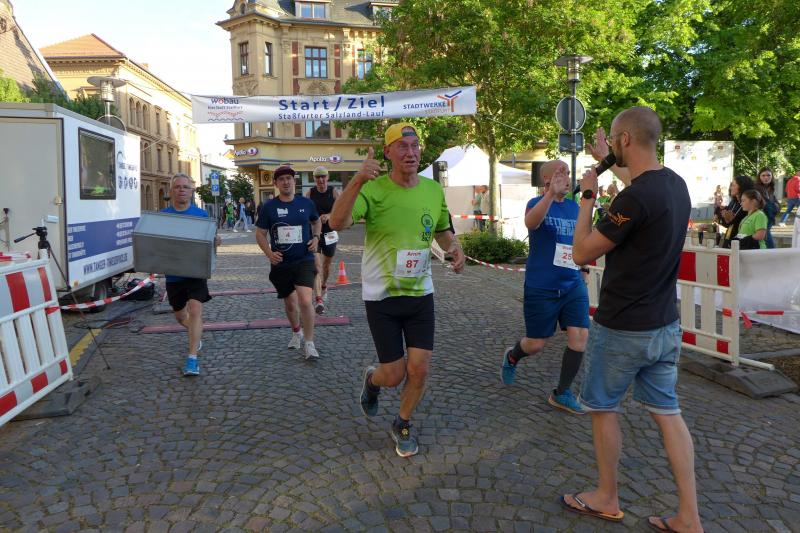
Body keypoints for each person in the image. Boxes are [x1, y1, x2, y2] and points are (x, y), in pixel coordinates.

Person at [563, 107, 703, 533]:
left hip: (623, 326)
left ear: (625, 139)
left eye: (613, 140)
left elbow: (581, 252)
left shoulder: (633, 198)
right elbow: (640, 191)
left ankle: (607, 496)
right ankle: (689, 516)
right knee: (668, 413)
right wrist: (606, 160)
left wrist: (588, 196)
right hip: (665, 325)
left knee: (603, 408)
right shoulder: (674, 184)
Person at [329, 122, 465, 458]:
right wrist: (357, 180)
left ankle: (402, 422)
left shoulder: (432, 190)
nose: (410, 152)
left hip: (420, 293)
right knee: (393, 374)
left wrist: (454, 247)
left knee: (420, 368)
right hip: (382, 296)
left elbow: (442, 230)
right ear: (388, 152)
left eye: (415, 146)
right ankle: (372, 381)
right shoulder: (373, 189)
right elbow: (336, 223)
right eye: (402, 146)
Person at [499, 159, 589, 415]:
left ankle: (562, 392)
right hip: (542, 286)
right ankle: (513, 356)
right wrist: (550, 195)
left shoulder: (574, 207)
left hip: (572, 283)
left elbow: (581, 241)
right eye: (561, 173)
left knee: (580, 336)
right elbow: (531, 223)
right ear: (547, 179)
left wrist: (584, 269)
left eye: (568, 173)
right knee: (536, 343)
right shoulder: (535, 203)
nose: (567, 178)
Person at [255, 166, 322, 359]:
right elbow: (260, 233)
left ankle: (309, 343)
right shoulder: (269, 207)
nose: (286, 182)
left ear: (294, 181)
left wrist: (316, 237)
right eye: (282, 179)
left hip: (304, 259)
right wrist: (269, 254)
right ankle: (296, 331)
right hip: (281, 262)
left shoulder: (306, 203)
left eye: (289, 178)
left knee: (305, 300)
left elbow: (316, 221)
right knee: (291, 304)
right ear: (276, 183)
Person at [161, 173, 220, 376]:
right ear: (171, 191)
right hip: (174, 274)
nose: (182, 190)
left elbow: (210, 241)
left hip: (196, 272)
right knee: (180, 316)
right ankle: (196, 333)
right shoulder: (163, 216)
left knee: (195, 310)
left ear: (191, 190)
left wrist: (216, 241)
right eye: (177, 187)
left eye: (185, 187)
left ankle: (192, 359)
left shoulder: (201, 215)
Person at [305, 166, 341, 314]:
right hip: (314, 234)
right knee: (317, 266)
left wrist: (330, 215)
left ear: (327, 177)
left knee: (326, 266)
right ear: (314, 179)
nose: (320, 180)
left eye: (323, 177)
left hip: (330, 233)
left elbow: (341, 210)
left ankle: (324, 284)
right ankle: (318, 299)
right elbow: (304, 211)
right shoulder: (310, 193)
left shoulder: (333, 192)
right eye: (317, 177)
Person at [715, 175, 754, 247]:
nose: (730, 188)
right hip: (730, 239)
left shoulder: (749, 204)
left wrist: (730, 219)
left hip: (742, 242)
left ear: (742, 186)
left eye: (733, 185)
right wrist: (719, 208)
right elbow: (726, 224)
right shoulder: (733, 202)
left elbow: (744, 224)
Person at [754, 167, 778, 248]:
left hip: (769, 219)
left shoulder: (770, 188)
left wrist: (775, 206)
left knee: (763, 244)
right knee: (769, 246)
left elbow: (775, 203)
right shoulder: (756, 188)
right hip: (761, 218)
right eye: (763, 175)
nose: (766, 178)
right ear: (759, 177)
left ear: (772, 177)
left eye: (768, 175)